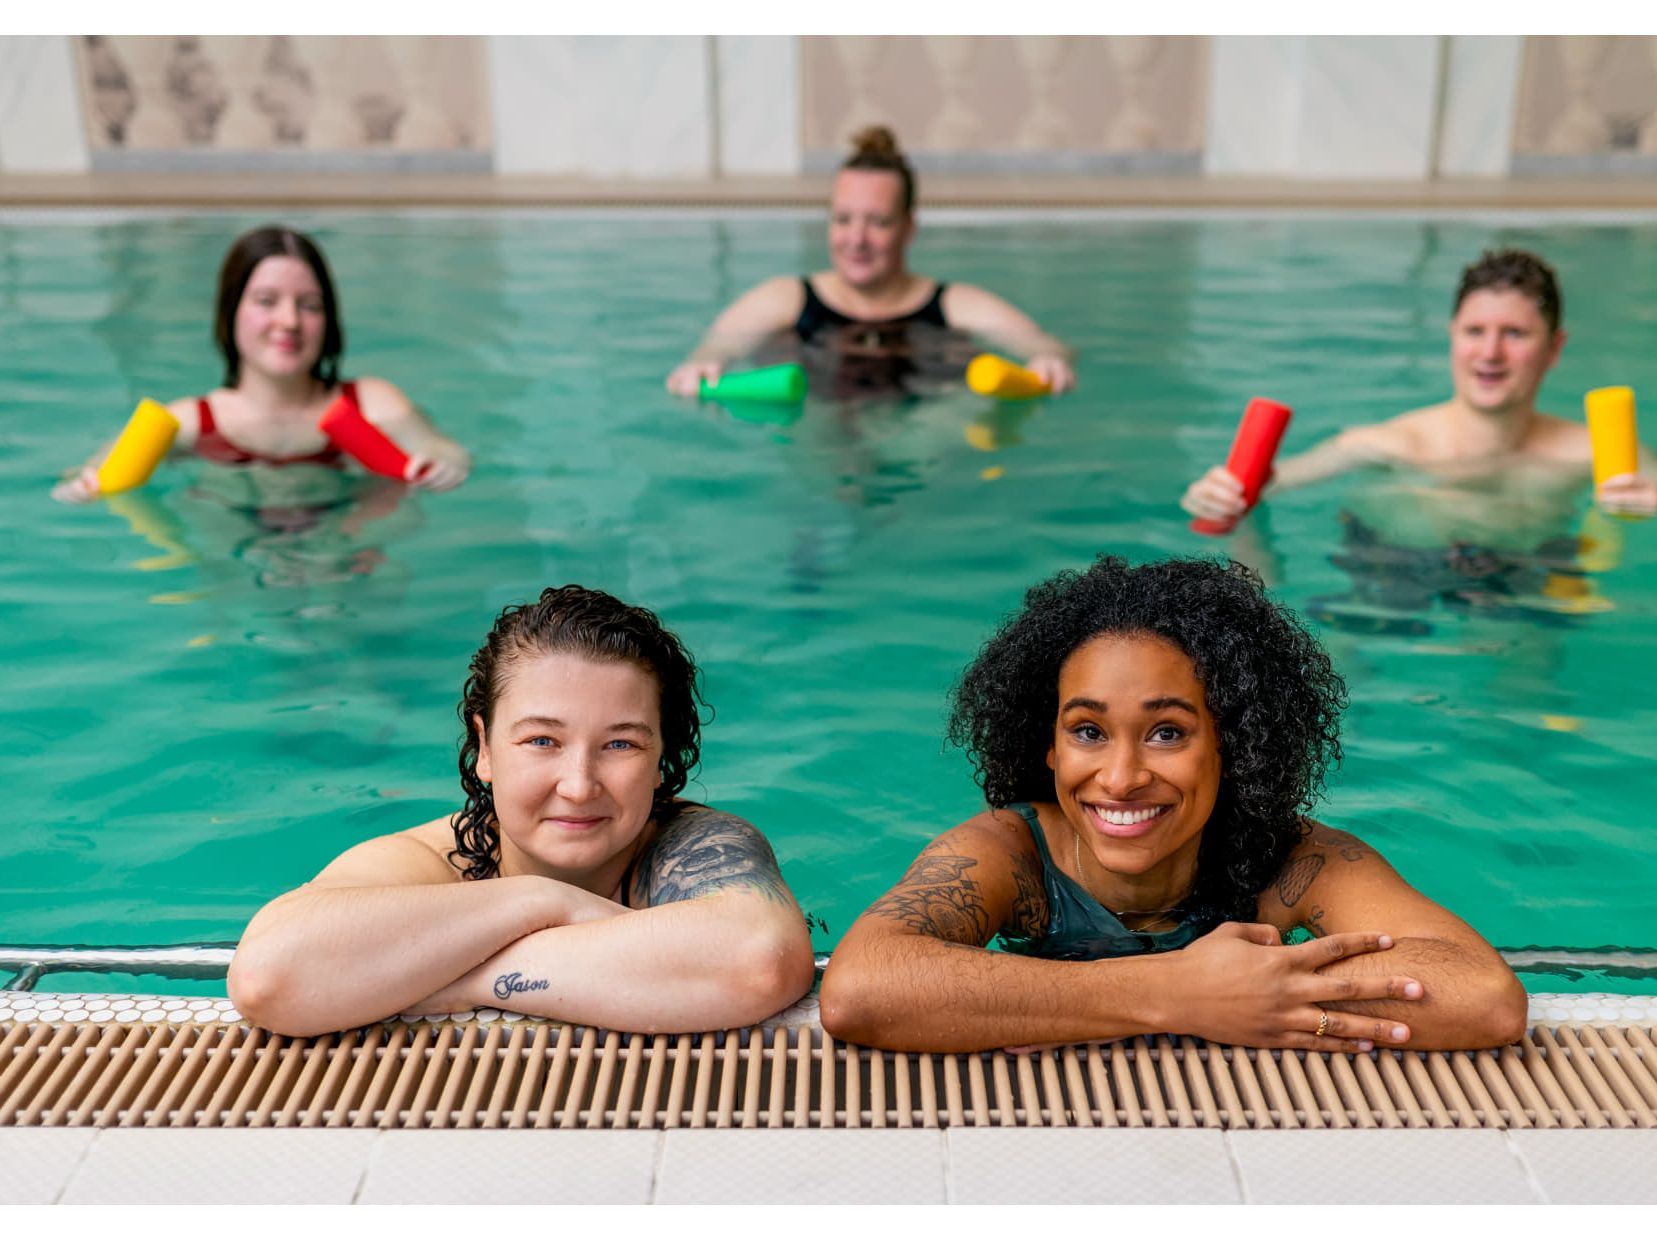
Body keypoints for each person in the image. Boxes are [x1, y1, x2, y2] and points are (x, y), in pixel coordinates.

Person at [819, 555, 1527, 1054]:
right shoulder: (1012, 853)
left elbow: (1485, 998)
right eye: (1088, 731)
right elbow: (861, 989)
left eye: (1167, 733)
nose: (1121, 778)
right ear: (1049, 748)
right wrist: (1179, 994)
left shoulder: (1292, 861)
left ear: (1231, 745)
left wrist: (1228, 992)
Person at [228, 585, 816, 1037]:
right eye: (542, 741)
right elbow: (267, 978)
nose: (579, 786)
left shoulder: (695, 847)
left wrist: (468, 978)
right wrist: (544, 900)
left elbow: (759, 963)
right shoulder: (430, 860)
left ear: (661, 758)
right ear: (484, 748)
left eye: (620, 744)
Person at [1180, 248, 1657, 525]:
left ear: (1554, 349)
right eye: (1474, 332)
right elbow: (1272, 483)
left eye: (1514, 334)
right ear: (1452, 337)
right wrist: (1214, 494)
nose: (1490, 353)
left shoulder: (1587, 452)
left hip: (1526, 578)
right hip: (1393, 575)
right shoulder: (1389, 444)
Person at [53, 225, 471, 503]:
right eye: (266, 301)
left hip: (350, 559)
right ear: (231, 311)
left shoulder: (372, 404)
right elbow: (103, 466)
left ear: (329, 319)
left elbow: (440, 448)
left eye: (309, 305)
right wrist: (88, 480)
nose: (289, 321)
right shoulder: (191, 423)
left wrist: (443, 464)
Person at [665, 126, 1076, 398]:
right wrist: (703, 364)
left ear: (908, 228)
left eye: (878, 223)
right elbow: (717, 345)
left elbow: (1044, 345)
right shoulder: (785, 298)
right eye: (843, 220)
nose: (856, 240)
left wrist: (1047, 361)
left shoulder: (955, 305)